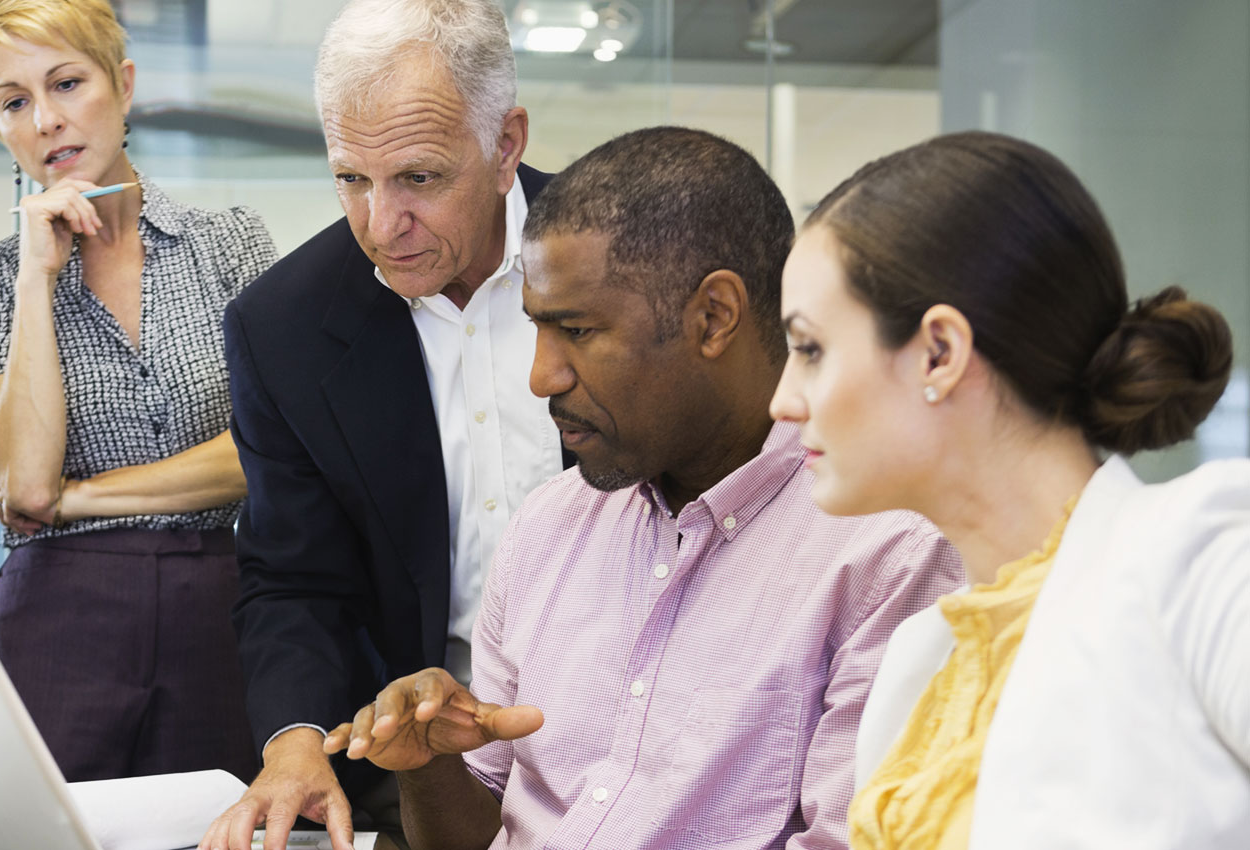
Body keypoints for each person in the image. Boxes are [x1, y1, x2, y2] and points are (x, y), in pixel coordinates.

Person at [319, 127, 966, 850]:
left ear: (713, 317)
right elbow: (480, 831)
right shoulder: (549, 526)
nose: (541, 376)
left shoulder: (890, 551)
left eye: (576, 330)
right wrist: (429, 764)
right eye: (537, 329)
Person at [768, 131, 1245, 848]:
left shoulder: (1199, 554)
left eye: (809, 349)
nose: (782, 402)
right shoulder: (921, 663)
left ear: (939, 353)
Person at [201, 1, 569, 847]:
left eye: (419, 179)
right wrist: (293, 743)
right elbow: (294, 578)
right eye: (350, 179)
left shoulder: (621, 252)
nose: (379, 224)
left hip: (634, 734)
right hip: (419, 770)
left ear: (505, 145)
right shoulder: (281, 326)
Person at [0, 0, 276, 783]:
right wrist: (36, 277)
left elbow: (269, 454)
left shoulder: (229, 244)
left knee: (207, 827)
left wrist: (80, 498)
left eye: (66, 83)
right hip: (56, 616)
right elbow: (26, 484)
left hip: (219, 606)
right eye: (14, 101)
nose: (46, 120)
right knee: (38, 833)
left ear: (122, 86)